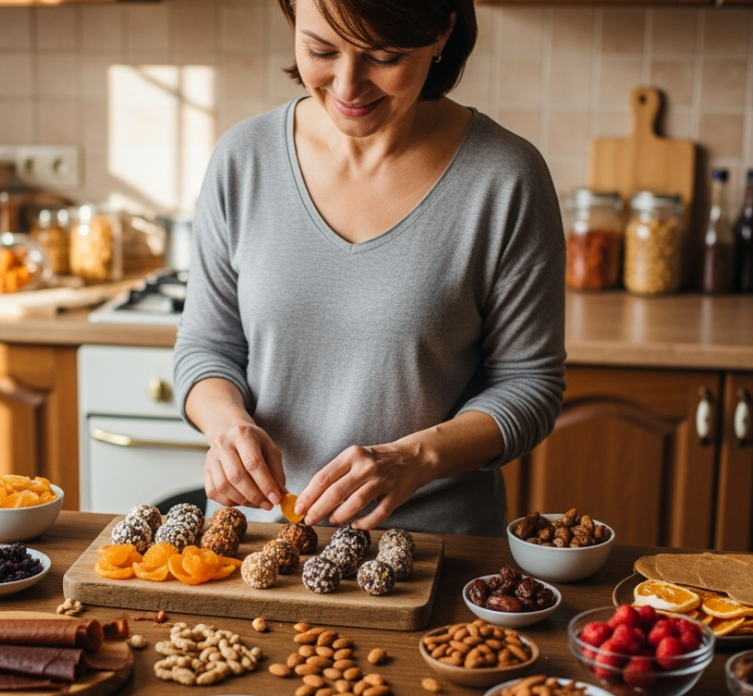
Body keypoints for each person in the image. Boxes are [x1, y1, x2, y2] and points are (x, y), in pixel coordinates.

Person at [172, 0, 566, 535]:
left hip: (434, 553)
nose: (348, 86)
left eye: (384, 56)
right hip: (261, 543)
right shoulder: (244, 158)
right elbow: (206, 349)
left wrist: (417, 458)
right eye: (321, 50)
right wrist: (228, 427)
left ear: (441, 31)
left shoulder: (505, 178)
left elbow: (529, 384)